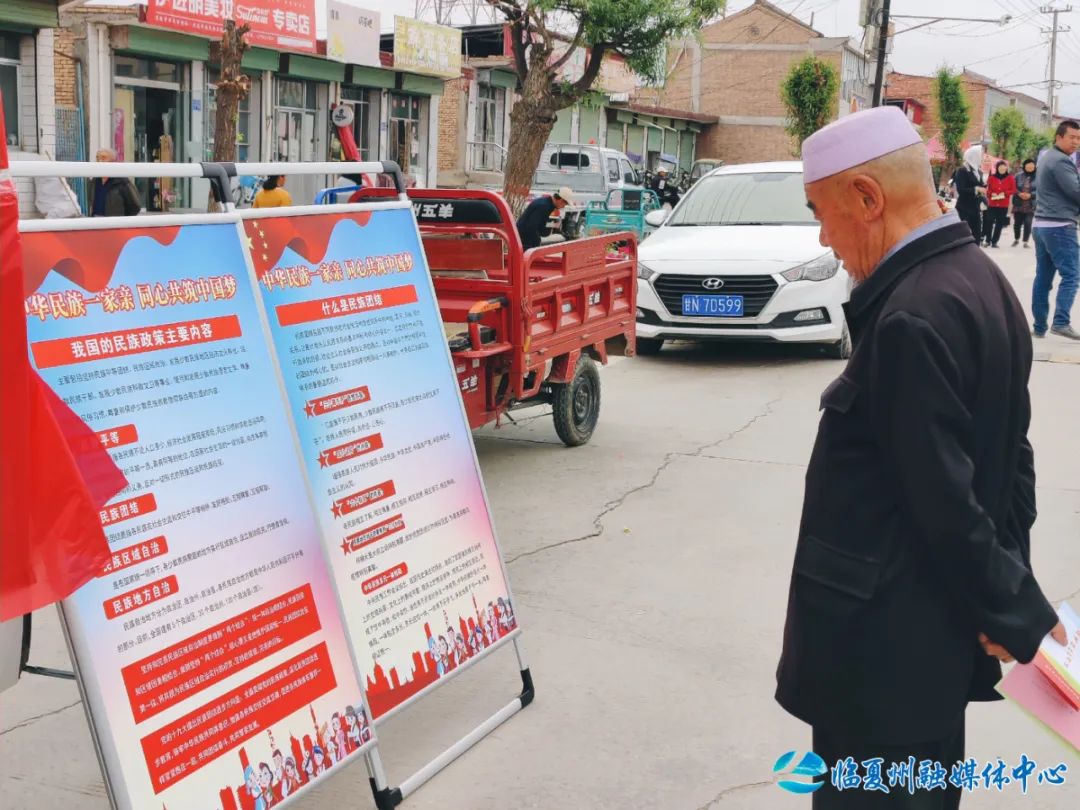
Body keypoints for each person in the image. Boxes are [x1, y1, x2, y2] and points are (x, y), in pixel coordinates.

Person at [776, 105, 1066, 810]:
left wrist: (1017, 611)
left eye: (821, 212)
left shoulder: (911, 315)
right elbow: (1012, 465)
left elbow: (943, 499)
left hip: (882, 654)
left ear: (866, 198)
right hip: (926, 651)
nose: (823, 237)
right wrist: (1003, 592)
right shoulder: (980, 281)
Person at [1032, 119, 1080, 340]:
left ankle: (1039, 326)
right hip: (1059, 226)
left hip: (1041, 224)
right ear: (1059, 137)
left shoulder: (1046, 157)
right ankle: (1061, 322)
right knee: (1071, 275)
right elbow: (1076, 192)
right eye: (1072, 137)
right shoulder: (1061, 161)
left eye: (1078, 138)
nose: (1076, 142)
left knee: (1043, 277)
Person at [89, 148, 141, 217]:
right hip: (95, 221)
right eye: (97, 158)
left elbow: (135, 206)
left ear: (113, 162)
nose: (99, 161)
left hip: (114, 222)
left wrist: (121, 219)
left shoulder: (122, 181)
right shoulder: (95, 180)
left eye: (103, 158)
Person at [951, 145, 985, 242]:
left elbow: (980, 186)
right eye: (980, 155)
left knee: (977, 233)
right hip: (964, 208)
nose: (982, 158)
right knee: (963, 234)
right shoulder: (962, 171)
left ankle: (975, 250)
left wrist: (984, 188)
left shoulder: (978, 171)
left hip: (975, 207)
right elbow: (961, 189)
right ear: (974, 156)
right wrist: (976, 189)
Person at [983, 160, 1015, 248]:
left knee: (999, 224)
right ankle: (987, 240)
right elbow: (987, 190)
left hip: (1003, 204)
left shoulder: (1010, 178)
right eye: (1000, 167)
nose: (1002, 168)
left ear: (1006, 168)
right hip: (992, 204)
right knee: (989, 221)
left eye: (1004, 167)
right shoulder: (991, 178)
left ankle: (994, 242)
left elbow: (1013, 190)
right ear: (997, 168)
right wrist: (991, 193)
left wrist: (1004, 193)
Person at [1012, 157, 1037, 247]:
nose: (1030, 167)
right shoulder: (1018, 176)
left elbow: (1041, 190)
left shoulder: (1039, 177)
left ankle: (1025, 241)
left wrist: (1031, 195)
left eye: (1032, 165)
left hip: (1031, 204)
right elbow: (1013, 187)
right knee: (1017, 223)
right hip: (1018, 203)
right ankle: (1016, 238)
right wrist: (1019, 193)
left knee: (1028, 223)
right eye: (1028, 165)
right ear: (1024, 166)